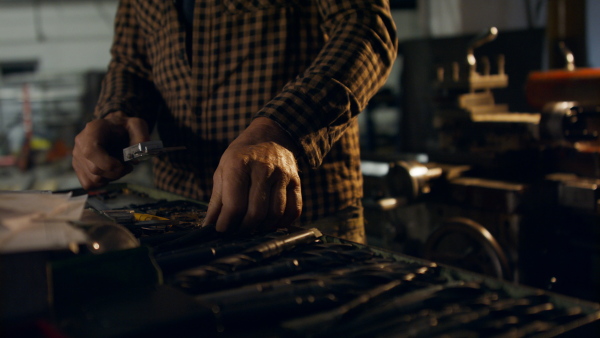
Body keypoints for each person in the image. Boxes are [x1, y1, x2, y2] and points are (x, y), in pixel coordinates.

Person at [72, 0, 398, 243]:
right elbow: (131, 65)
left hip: (300, 214)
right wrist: (117, 115)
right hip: (178, 214)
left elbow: (366, 28)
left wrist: (277, 131)